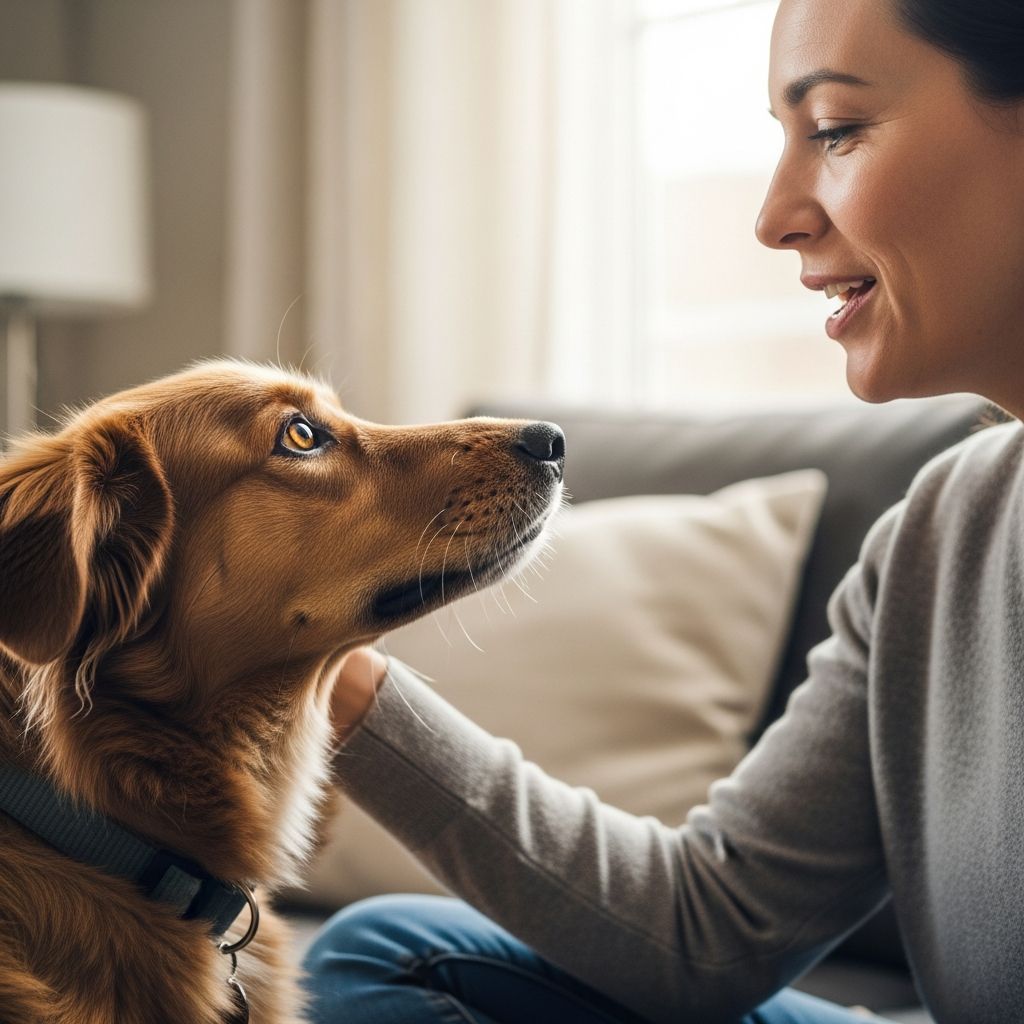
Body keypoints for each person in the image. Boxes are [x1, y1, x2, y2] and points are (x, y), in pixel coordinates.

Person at [303, 1, 1024, 1021]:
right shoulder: (943, 529)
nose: (775, 216)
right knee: (397, 955)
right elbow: (705, 931)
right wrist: (343, 682)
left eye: (833, 129)